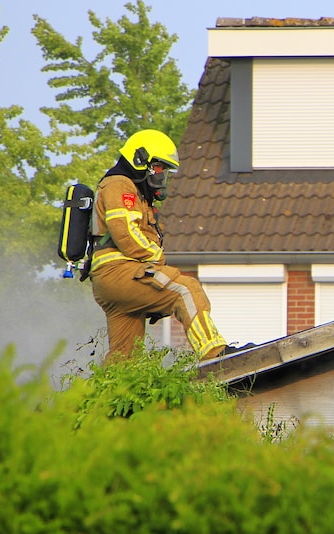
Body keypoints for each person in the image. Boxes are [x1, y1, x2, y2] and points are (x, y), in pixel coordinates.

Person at [88, 129, 249, 363]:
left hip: (110, 280)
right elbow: (126, 234)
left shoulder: (131, 190)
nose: (161, 175)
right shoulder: (120, 185)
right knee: (186, 289)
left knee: (124, 358)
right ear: (140, 160)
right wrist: (156, 257)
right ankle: (216, 355)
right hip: (120, 272)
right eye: (159, 168)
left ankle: (107, 387)